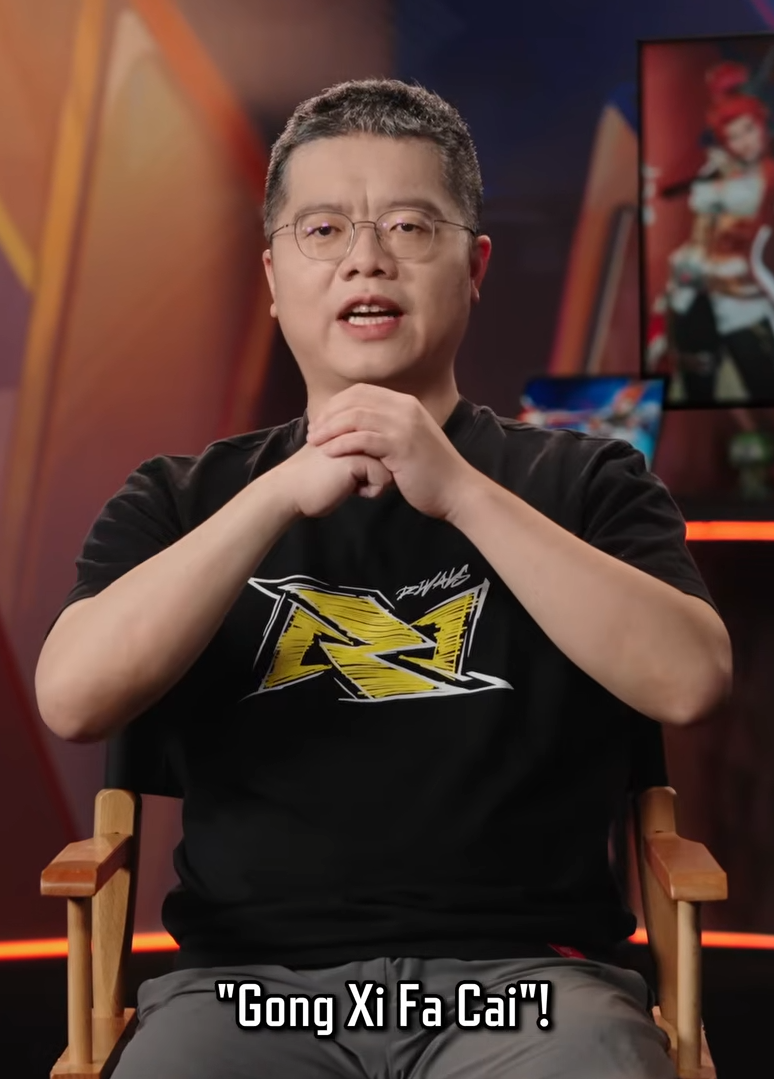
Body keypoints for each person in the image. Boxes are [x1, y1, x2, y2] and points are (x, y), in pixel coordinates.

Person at [36, 78, 732, 1079]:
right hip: (250, 993)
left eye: (409, 224)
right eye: (323, 229)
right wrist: (276, 497)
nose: (366, 257)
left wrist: (460, 491)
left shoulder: (588, 482)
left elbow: (691, 678)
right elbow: (72, 696)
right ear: (273, 274)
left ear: (475, 265)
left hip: (531, 989)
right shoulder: (182, 499)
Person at [662, 60, 774, 403]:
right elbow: (673, 193)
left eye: (748, 130)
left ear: (762, 125)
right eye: (733, 136)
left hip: (744, 294)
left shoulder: (768, 174)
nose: (743, 142)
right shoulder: (715, 169)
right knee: (697, 384)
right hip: (693, 288)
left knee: (762, 381)